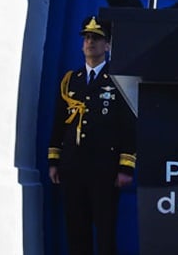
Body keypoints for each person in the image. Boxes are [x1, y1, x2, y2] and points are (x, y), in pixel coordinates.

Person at [49, 16, 136, 255]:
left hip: (104, 169)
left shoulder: (118, 79)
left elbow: (129, 126)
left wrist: (126, 167)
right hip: (72, 166)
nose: (90, 43)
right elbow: (59, 123)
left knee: (106, 233)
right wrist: (54, 161)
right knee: (76, 230)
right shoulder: (70, 80)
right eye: (87, 38)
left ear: (107, 46)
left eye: (97, 39)